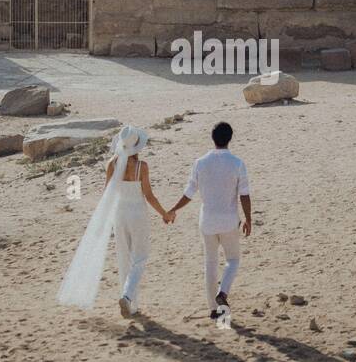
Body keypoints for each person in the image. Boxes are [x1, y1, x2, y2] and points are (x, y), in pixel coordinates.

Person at [57, 125, 171, 318]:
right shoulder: (141, 167)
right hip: (137, 214)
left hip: (119, 214)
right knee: (140, 258)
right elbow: (149, 196)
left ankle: (132, 305)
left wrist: (104, 219)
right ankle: (127, 297)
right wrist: (164, 214)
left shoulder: (112, 164)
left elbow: (107, 194)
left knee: (124, 258)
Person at [167, 122, 252, 320]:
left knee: (210, 262)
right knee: (232, 259)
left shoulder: (200, 163)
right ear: (230, 138)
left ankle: (213, 309)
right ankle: (223, 292)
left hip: (207, 220)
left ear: (212, 138)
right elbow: (244, 195)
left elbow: (189, 193)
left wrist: (173, 209)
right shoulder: (237, 163)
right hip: (229, 219)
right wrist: (248, 218)